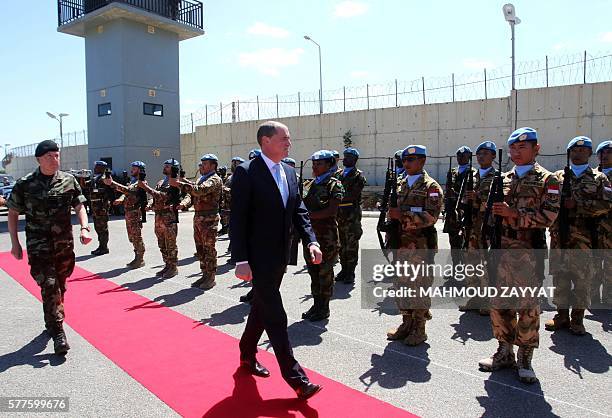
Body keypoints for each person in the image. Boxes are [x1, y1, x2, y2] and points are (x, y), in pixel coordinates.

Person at [231, 121, 323, 400]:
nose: (289, 143)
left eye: (289, 139)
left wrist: (312, 240)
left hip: (281, 255)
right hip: (257, 258)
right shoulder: (246, 172)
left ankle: (246, 354)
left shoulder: (289, 171)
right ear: (266, 141)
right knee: (275, 312)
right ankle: (296, 378)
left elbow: (299, 210)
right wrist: (241, 260)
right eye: (284, 138)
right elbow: (238, 218)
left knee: (261, 306)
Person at [478, 127, 560, 384]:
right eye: (513, 148)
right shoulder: (500, 179)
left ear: (536, 149)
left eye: (522, 147)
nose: (516, 152)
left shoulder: (548, 181)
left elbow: (549, 217)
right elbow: (490, 215)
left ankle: (525, 359)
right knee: (500, 305)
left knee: (527, 308)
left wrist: (514, 214)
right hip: (500, 253)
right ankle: (504, 352)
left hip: (528, 254)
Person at [6, 140, 92, 355]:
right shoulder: (25, 184)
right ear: (38, 159)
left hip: (64, 244)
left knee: (60, 285)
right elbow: (13, 213)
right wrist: (15, 243)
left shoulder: (68, 180)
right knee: (50, 285)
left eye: (56, 156)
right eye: (49, 157)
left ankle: (51, 318)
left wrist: (84, 228)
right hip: (39, 246)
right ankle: (58, 332)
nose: (54, 160)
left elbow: (79, 204)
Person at [546, 136, 611, 334]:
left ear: (590, 154)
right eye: (574, 150)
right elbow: (548, 202)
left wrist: (580, 205)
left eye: (583, 150)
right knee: (559, 277)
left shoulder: (599, 178)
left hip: (584, 237)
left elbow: (607, 204)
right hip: (559, 237)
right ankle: (561, 316)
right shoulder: (557, 177)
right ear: (569, 153)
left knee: (582, 279)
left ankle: (577, 319)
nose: (578, 153)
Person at [386, 145, 442, 346]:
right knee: (401, 285)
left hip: (420, 246)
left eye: (411, 160)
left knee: (419, 286)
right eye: (405, 160)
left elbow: (431, 216)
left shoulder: (431, 187)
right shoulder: (399, 184)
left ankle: (419, 328)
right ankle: (406, 322)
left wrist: (402, 216)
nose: (406, 163)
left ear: (422, 161)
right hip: (400, 244)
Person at [301, 150, 344, 321]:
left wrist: (306, 216)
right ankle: (316, 304)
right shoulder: (308, 185)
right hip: (310, 237)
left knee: (324, 273)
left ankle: (323, 307)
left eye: (319, 164)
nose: (315, 166)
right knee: (313, 272)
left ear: (329, 165)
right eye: (313, 163)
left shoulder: (334, 185)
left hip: (326, 238)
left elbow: (331, 211)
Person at [172, 154, 223, 290]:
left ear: (213, 165)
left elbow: (200, 190)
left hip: (209, 218)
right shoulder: (201, 178)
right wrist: (184, 203)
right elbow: (191, 194)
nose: (202, 166)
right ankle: (205, 274)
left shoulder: (215, 179)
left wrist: (180, 184)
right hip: (199, 218)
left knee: (209, 249)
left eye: (205, 164)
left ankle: (211, 278)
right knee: (200, 249)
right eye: (202, 163)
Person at [459, 140, 497, 315]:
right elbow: (463, 201)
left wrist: (478, 198)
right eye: (479, 154)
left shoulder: (497, 178)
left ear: (493, 156)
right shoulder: (470, 176)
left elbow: (495, 205)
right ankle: (474, 297)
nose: (481, 156)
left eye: (486, 154)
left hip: (486, 227)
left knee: (485, 265)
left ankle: (488, 300)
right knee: (470, 263)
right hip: (471, 227)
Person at [139, 159, 182, 278]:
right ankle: (167, 265)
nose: (164, 168)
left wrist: (147, 188)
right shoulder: (161, 182)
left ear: (174, 168)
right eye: (165, 166)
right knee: (161, 243)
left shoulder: (175, 182)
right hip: (158, 216)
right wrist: (150, 204)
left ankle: (173, 268)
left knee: (170, 243)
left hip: (169, 217)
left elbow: (165, 197)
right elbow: (155, 196)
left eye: (167, 166)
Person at [103, 161, 148, 269]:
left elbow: (129, 190)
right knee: (132, 236)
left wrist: (112, 183)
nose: (132, 169)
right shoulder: (132, 181)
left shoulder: (141, 182)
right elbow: (127, 193)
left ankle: (140, 258)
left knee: (137, 236)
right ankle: (137, 255)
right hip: (129, 212)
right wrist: (121, 199)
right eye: (132, 167)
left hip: (135, 212)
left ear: (140, 170)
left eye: (134, 168)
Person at [334, 147, 367, 284]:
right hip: (339, 215)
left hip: (351, 215)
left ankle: (351, 272)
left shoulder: (358, 176)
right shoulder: (338, 174)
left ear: (355, 160)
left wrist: (335, 197)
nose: (345, 159)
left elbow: (352, 195)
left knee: (351, 244)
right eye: (345, 156)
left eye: (348, 157)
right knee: (342, 243)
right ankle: (343, 269)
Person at [443, 146, 476, 279]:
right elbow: (447, 193)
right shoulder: (452, 172)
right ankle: (456, 266)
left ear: (469, 157)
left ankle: (466, 268)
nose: (461, 158)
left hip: (464, 211)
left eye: (464, 155)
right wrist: (446, 209)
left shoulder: (472, 172)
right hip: (452, 212)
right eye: (459, 155)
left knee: (466, 241)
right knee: (453, 241)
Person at [593, 140, 612, 307]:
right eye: (602, 153)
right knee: (593, 264)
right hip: (593, 229)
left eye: (609, 153)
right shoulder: (592, 175)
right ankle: (593, 298)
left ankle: (608, 298)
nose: (604, 156)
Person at [88, 160, 114, 256]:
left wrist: (94, 190)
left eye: (97, 166)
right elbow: (86, 186)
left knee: (102, 228)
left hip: (102, 207)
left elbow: (106, 190)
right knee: (98, 228)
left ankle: (104, 248)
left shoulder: (104, 178)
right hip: (95, 207)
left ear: (102, 168)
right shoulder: (96, 177)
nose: (95, 168)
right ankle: (101, 246)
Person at [220, 157, 244, 236]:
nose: (233, 165)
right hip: (230, 205)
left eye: (236, 163)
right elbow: (225, 188)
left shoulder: (244, 176)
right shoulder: (230, 177)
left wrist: (226, 189)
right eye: (233, 163)